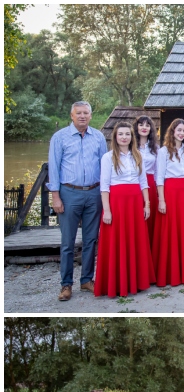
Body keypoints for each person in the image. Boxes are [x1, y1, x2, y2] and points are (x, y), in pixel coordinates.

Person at [48, 101, 108, 301]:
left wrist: (105, 195)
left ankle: (86, 280)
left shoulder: (98, 137)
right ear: (72, 115)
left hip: (94, 192)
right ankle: (66, 284)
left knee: (91, 239)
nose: (82, 116)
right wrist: (55, 196)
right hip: (69, 193)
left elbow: (105, 166)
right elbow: (54, 168)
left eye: (86, 113)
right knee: (68, 242)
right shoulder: (60, 137)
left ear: (91, 115)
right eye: (78, 113)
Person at [93, 120, 153, 297]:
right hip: (117, 203)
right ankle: (116, 283)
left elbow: (143, 183)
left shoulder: (137, 156)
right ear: (115, 137)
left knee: (135, 239)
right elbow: (104, 186)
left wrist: (147, 204)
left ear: (131, 136)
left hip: (135, 202)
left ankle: (136, 281)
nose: (124, 137)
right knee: (116, 241)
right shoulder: (108, 157)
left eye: (127, 134)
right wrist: (107, 210)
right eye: (121, 134)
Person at [153, 118, 184, 287]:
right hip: (171, 191)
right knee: (171, 229)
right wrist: (161, 199)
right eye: (179, 130)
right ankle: (170, 270)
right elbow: (159, 177)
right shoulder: (164, 151)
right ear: (172, 131)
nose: (181, 133)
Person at [135, 116, 160, 240]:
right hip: (133, 184)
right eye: (141, 124)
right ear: (136, 127)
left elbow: (157, 170)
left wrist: (157, 189)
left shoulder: (155, 148)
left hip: (150, 184)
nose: (144, 127)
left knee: (150, 216)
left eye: (147, 125)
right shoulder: (131, 145)